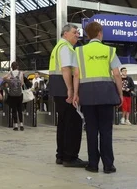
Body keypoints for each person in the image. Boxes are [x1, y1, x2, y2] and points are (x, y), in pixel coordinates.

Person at [72, 21, 122, 174]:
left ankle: (93, 164)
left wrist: (75, 94)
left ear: (87, 35)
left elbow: (76, 74)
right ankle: (108, 165)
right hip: (106, 94)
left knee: (91, 130)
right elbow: (117, 74)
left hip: (87, 95)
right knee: (106, 130)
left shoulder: (78, 51)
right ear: (100, 33)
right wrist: (119, 93)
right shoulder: (110, 50)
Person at [48, 24, 87, 168]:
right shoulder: (65, 48)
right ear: (65, 34)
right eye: (75, 32)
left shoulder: (58, 47)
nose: (78, 35)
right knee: (73, 122)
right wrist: (71, 89)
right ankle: (70, 157)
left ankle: (61, 155)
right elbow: (65, 69)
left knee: (63, 122)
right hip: (64, 87)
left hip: (57, 87)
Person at [3, 62, 25, 131]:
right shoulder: (21, 73)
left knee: (14, 110)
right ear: (17, 66)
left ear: (11, 67)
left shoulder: (10, 73)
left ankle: (15, 125)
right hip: (19, 94)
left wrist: (9, 80)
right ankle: (21, 124)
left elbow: (3, 78)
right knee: (20, 110)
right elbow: (22, 83)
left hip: (12, 95)